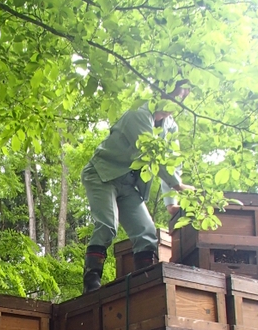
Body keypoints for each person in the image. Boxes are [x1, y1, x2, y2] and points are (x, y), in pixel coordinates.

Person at [81, 80, 195, 293]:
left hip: (129, 185)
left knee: (147, 232)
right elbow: (150, 154)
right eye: (176, 95)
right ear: (163, 91)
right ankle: (91, 280)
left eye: (182, 98)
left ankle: (145, 284)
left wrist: (172, 202)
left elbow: (172, 162)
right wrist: (178, 185)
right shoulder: (139, 113)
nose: (177, 102)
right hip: (102, 174)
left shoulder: (171, 128)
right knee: (107, 225)